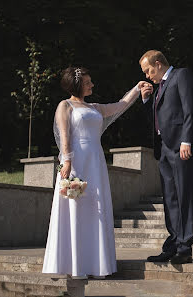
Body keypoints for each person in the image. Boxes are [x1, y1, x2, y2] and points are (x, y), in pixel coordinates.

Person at [42, 66, 149, 279]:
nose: (92, 85)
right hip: (76, 161)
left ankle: (95, 264)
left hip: (95, 160)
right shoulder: (65, 105)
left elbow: (121, 105)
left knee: (95, 207)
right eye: (88, 82)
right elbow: (64, 135)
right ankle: (74, 265)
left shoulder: (95, 107)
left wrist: (137, 88)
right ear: (77, 85)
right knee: (76, 207)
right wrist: (67, 161)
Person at [139, 50, 193, 264]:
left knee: (184, 195)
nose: (148, 75)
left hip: (181, 146)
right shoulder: (159, 88)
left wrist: (187, 140)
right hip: (164, 149)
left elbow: (190, 110)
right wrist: (147, 99)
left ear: (158, 64)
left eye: (148, 70)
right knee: (170, 198)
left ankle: (185, 248)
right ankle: (173, 244)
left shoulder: (181, 76)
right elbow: (158, 117)